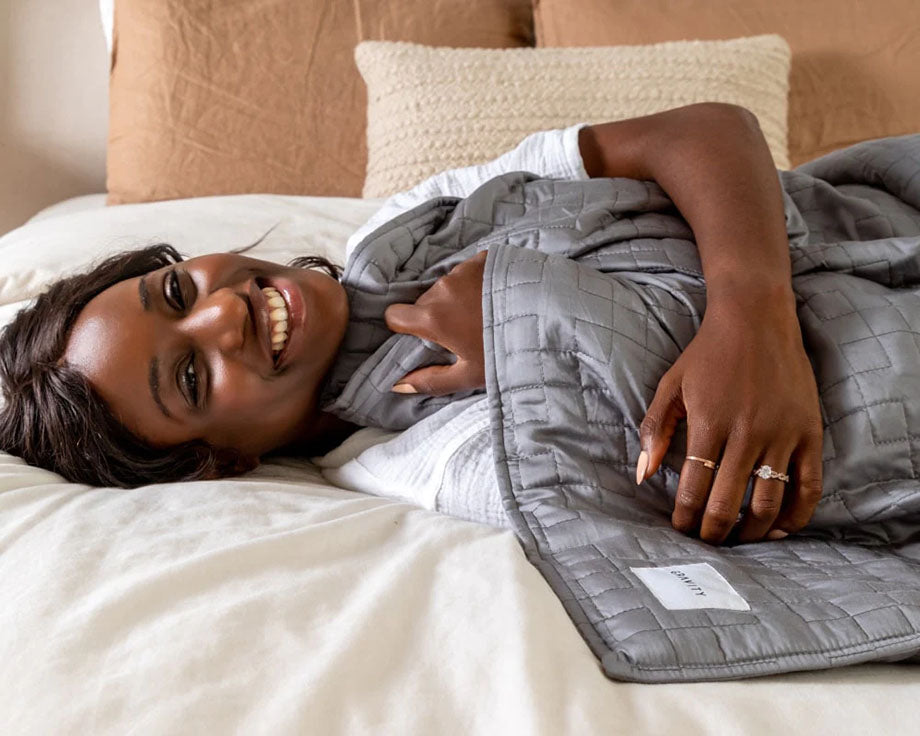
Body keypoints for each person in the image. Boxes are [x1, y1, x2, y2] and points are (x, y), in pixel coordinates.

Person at [0, 103, 825, 545]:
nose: (225, 311)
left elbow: (704, 131)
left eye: (177, 291)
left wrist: (754, 317)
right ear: (218, 461)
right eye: (190, 376)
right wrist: (517, 325)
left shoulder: (397, 226)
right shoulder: (421, 468)